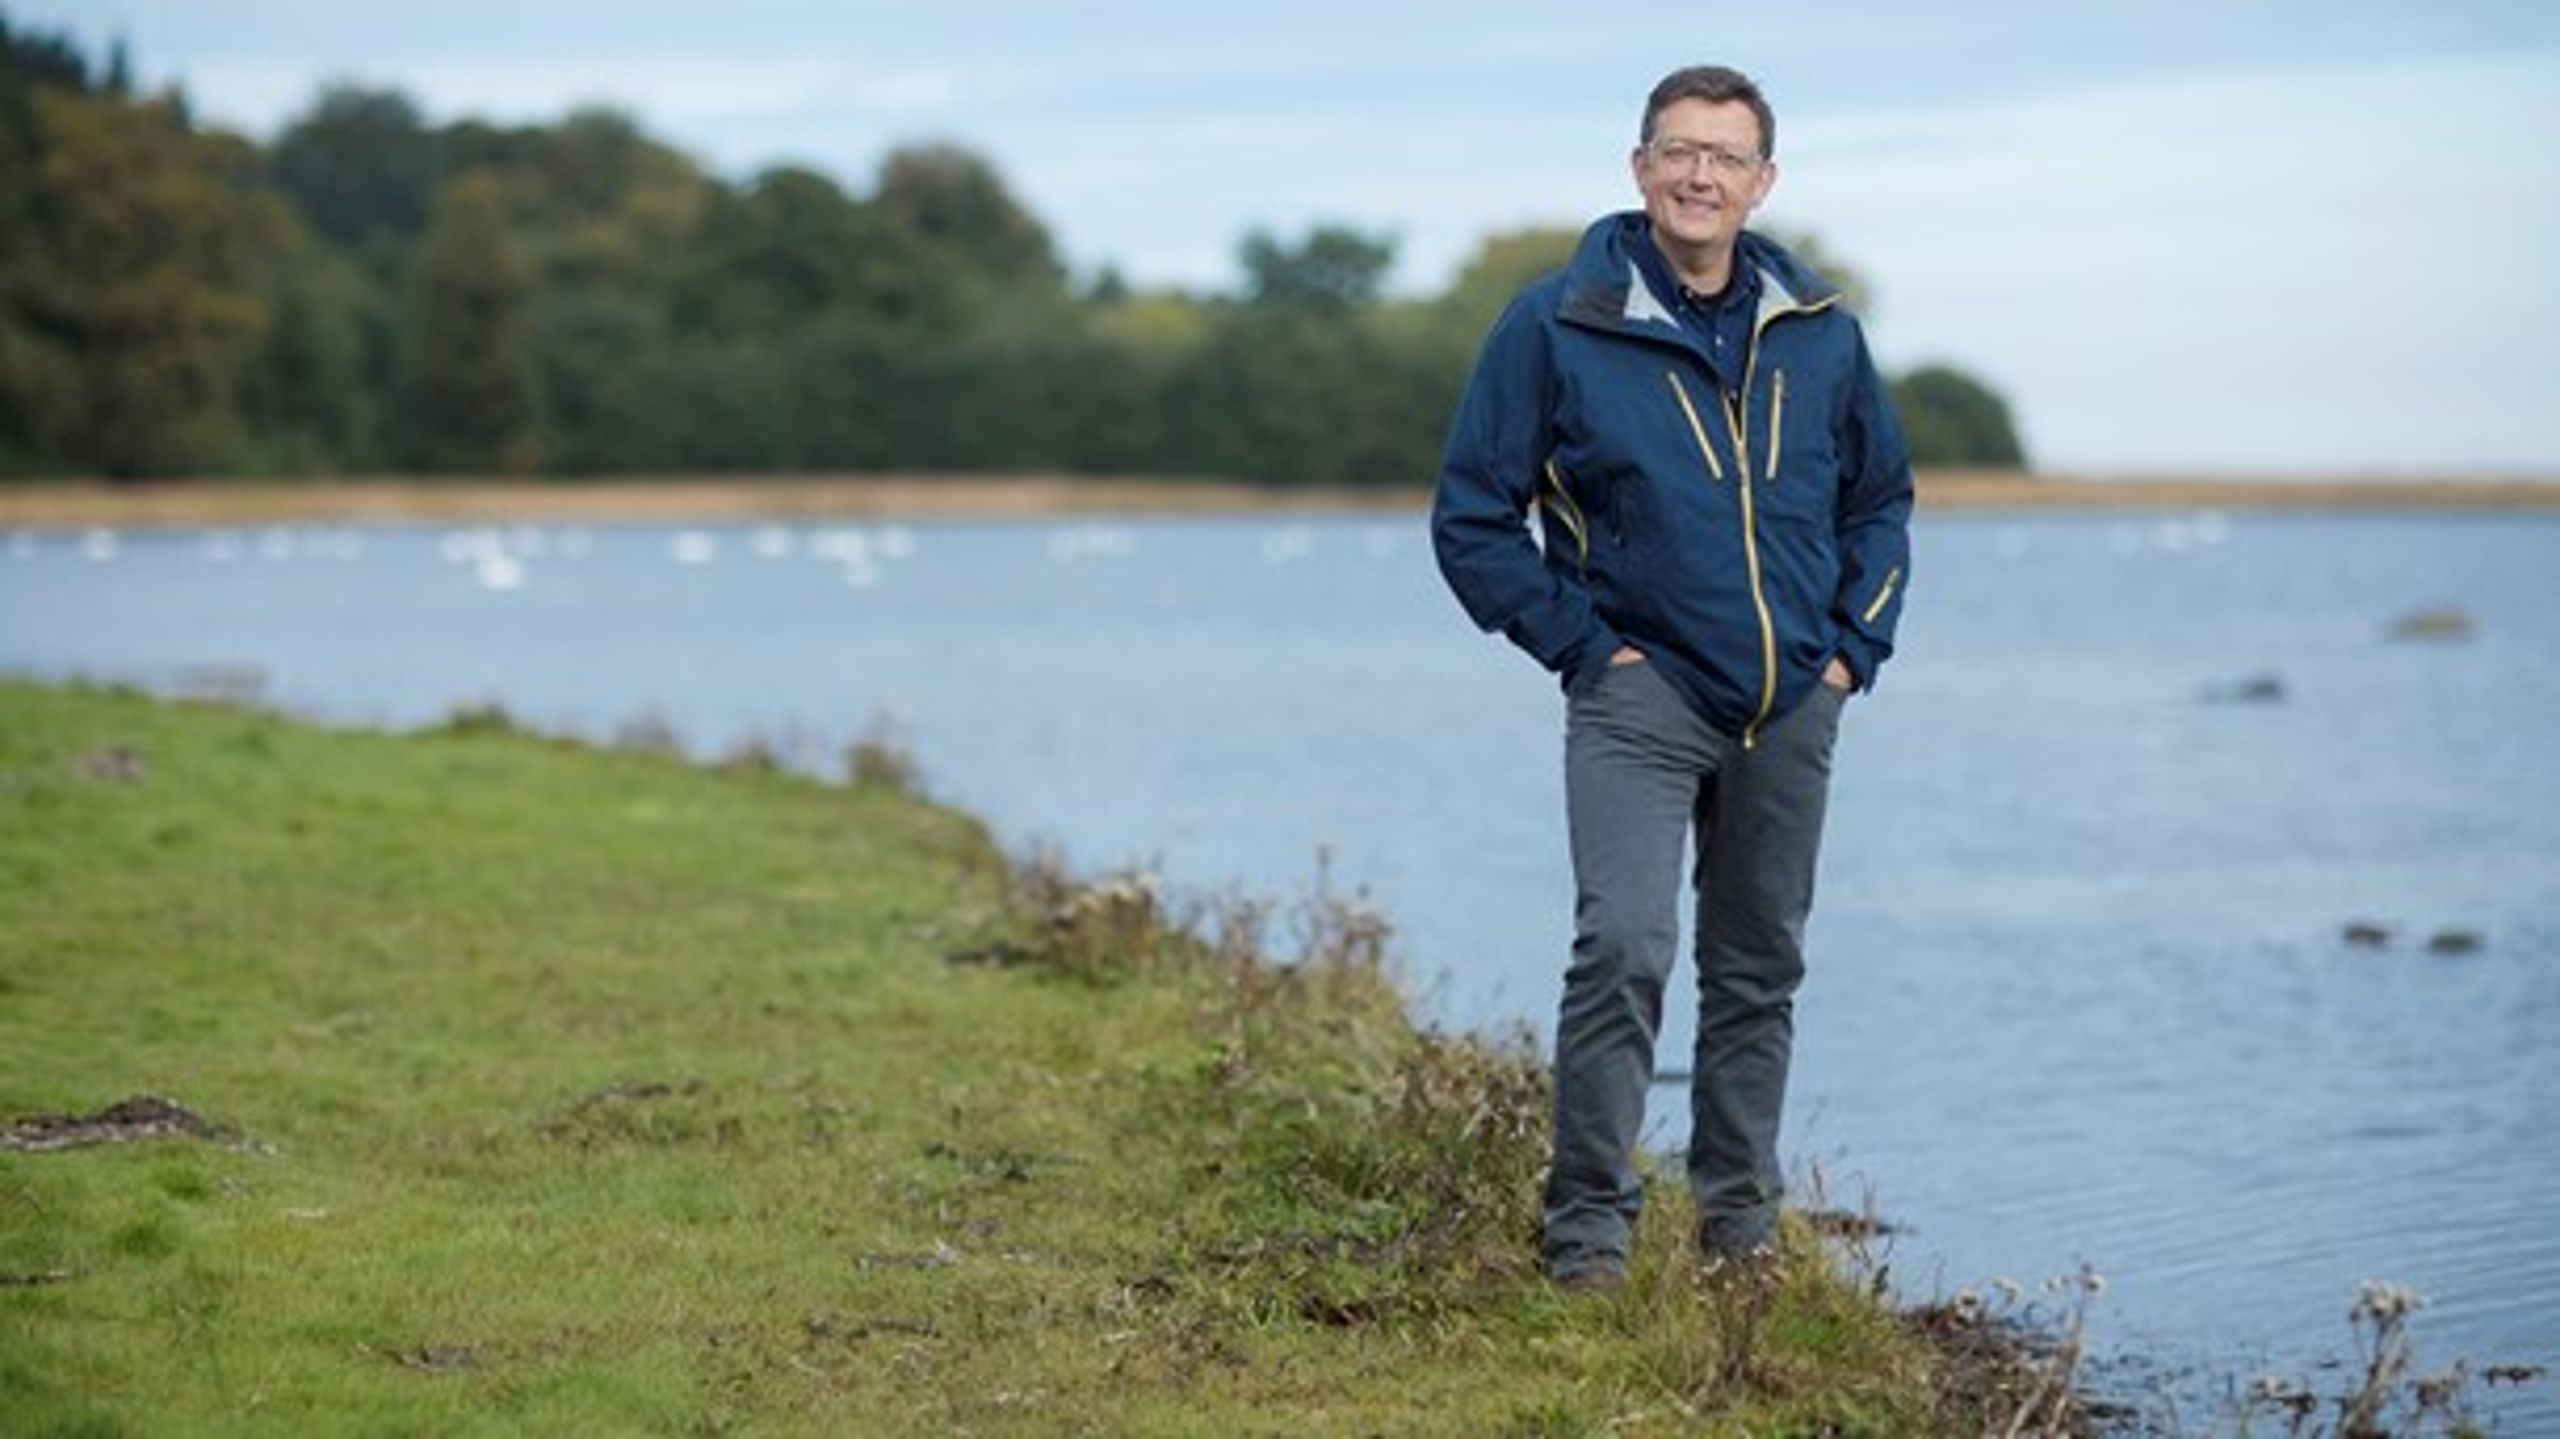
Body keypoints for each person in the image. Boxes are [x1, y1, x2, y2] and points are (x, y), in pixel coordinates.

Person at [1430, 64, 1913, 1288]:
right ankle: (1588, 1234)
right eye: (1679, 152)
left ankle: (1737, 1232)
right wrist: (1584, 646)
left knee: (1757, 970)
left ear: (1762, 182)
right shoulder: (1556, 323)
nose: (1700, 176)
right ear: (1639, 167)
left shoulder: (1821, 331)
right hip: (1638, 699)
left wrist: (1849, 653)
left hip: (1791, 702)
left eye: (1725, 157)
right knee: (1623, 947)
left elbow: (1879, 503)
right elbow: (1472, 517)